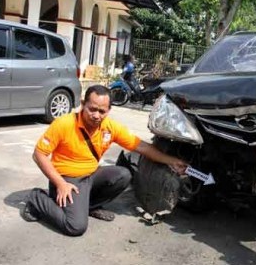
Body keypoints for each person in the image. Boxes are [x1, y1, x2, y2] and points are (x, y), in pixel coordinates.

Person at [21, 85, 187, 236]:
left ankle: (89, 206)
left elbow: (141, 147)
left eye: (102, 111)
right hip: (67, 179)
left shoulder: (110, 127)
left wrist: (170, 160)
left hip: (90, 175)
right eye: (92, 109)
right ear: (82, 104)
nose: (96, 116)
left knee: (123, 175)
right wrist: (60, 183)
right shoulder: (64, 124)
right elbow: (39, 154)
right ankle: (36, 197)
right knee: (75, 226)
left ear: (109, 110)